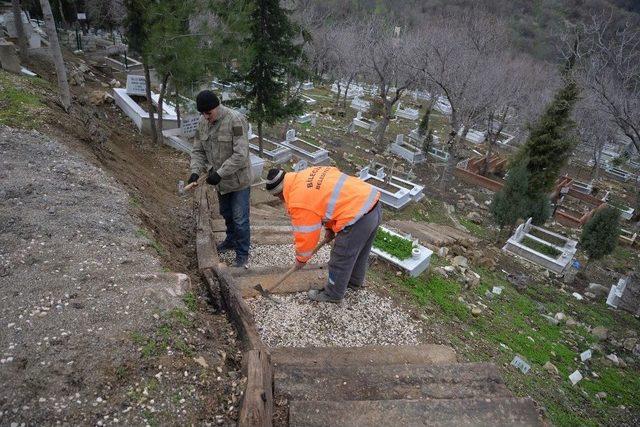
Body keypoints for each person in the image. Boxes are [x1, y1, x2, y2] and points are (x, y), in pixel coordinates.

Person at [265, 166, 382, 303]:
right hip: (372, 203)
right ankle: (354, 282)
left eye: (277, 196)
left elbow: (306, 234)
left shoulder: (299, 200)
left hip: (356, 217)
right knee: (359, 253)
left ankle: (333, 294)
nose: (280, 200)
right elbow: (328, 200)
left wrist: (301, 259)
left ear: (279, 192)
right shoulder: (306, 174)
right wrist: (330, 230)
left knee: (340, 258)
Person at [187, 90, 251, 267]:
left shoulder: (235, 120)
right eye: (202, 113)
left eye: (208, 113)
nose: (206, 117)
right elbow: (198, 150)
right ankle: (231, 240)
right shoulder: (203, 122)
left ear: (217, 107)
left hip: (238, 181)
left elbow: (241, 154)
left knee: (240, 219)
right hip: (221, 182)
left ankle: (242, 254)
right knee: (226, 214)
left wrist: (219, 173)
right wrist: (195, 171)